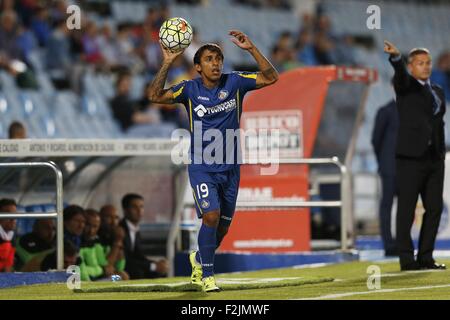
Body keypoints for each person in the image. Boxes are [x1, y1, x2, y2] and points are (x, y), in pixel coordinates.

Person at [148, 30, 279, 291]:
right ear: (197, 67)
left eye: (218, 58)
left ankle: (199, 258)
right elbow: (154, 96)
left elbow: (271, 77)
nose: (216, 63)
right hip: (202, 166)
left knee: (222, 230)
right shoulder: (189, 89)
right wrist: (167, 63)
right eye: (209, 59)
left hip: (231, 167)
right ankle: (207, 276)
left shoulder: (235, 82)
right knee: (211, 216)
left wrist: (251, 49)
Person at [384, 40, 446, 271]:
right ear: (411, 67)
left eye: (428, 63)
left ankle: (426, 257)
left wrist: (440, 152)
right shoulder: (405, 86)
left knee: (435, 208)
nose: (426, 67)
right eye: (420, 63)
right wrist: (396, 59)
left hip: (434, 159)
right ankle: (407, 259)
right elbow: (399, 76)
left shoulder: (438, 91)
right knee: (407, 209)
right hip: (410, 158)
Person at [371, 96, 398, 257]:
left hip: (408, 168)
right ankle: (388, 244)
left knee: (407, 207)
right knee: (386, 205)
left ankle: (403, 243)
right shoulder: (385, 111)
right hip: (389, 168)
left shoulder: (412, 109)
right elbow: (376, 140)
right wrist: (383, 161)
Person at [119, 194, 168, 279]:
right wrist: (153, 266)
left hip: (132, 267)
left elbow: (138, 256)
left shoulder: (135, 229)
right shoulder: (119, 230)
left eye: (141, 207)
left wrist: (156, 264)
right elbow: (127, 260)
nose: (139, 210)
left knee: (160, 271)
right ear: (125, 210)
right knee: (138, 272)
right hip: (117, 273)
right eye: (134, 207)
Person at [98, 205, 129, 280]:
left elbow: (119, 267)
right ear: (100, 218)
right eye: (109, 217)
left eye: (116, 217)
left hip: (109, 275)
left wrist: (119, 242)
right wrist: (117, 242)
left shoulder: (113, 236)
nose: (113, 221)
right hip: (95, 279)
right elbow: (107, 267)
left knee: (124, 275)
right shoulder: (97, 239)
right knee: (122, 277)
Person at [0, 198, 17, 272]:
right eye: (8, 214)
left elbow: (8, 266)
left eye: (15, 214)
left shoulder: (12, 237)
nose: (13, 219)